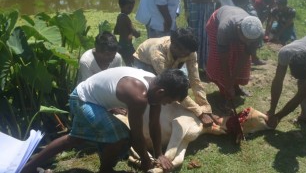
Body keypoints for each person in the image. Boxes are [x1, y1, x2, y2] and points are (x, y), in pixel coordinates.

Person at [21, 67, 189, 173]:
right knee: (122, 136)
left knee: (74, 139)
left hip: (91, 99)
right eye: (170, 100)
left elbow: (154, 123)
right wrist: (146, 160)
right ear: (161, 92)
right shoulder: (139, 96)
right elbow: (136, 135)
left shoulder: (154, 85)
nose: (168, 104)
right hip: (82, 100)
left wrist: (159, 154)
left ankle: (26, 167)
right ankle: (106, 169)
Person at [132, 28, 218, 127]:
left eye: (187, 53)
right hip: (145, 61)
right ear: (174, 45)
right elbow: (170, 84)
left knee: (178, 87)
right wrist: (199, 113)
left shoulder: (189, 51)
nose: (186, 55)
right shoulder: (157, 54)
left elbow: (195, 81)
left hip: (168, 62)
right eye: (183, 52)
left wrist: (206, 108)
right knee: (151, 90)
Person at [206, 6, 264, 111]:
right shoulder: (224, 29)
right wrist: (228, 84)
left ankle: (236, 87)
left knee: (242, 59)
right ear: (238, 30)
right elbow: (224, 61)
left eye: (251, 41)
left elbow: (244, 58)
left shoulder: (257, 32)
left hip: (234, 18)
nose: (248, 44)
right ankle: (224, 93)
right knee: (218, 61)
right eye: (246, 40)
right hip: (217, 23)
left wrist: (232, 81)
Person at [114, 0, 141, 66]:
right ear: (121, 6)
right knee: (135, 63)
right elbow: (135, 33)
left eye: (132, 8)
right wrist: (137, 33)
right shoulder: (126, 18)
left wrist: (127, 32)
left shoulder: (119, 17)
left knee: (127, 63)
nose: (131, 10)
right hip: (127, 46)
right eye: (129, 8)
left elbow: (116, 31)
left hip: (120, 45)